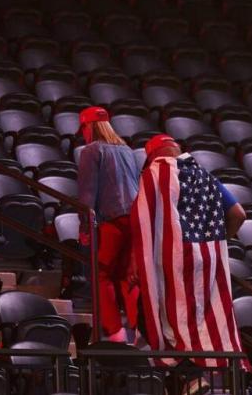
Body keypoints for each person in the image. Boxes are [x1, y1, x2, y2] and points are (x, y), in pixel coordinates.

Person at [129, 134, 248, 392]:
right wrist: (215, 243)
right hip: (208, 262)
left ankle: (189, 378)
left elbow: (142, 222)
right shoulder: (207, 176)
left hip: (170, 263)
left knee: (152, 318)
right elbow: (239, 214)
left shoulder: (154, 174)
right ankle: (220, 379)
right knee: (199, 321)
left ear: (151, 155)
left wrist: (138, 263)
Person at [77, 106, 140, 342]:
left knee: (101, 274)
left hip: (111, 220)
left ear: (88, 127)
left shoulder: (91, 151)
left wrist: (84, 228)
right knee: (127, 277)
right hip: (134, 219)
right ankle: (139, 328)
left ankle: (115, 332)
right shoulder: (127, 150)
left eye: (83, 128)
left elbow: (87, 194)